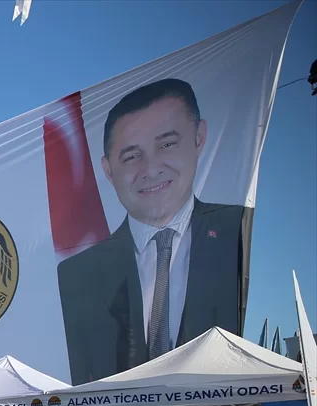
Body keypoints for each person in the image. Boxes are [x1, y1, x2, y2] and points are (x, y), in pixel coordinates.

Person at [57, 78, 250, 383]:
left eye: (167, 144)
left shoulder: (238, 232)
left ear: (199, 138)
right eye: (132, 156)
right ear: (108, 170)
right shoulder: (76, 276)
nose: (150, 168)